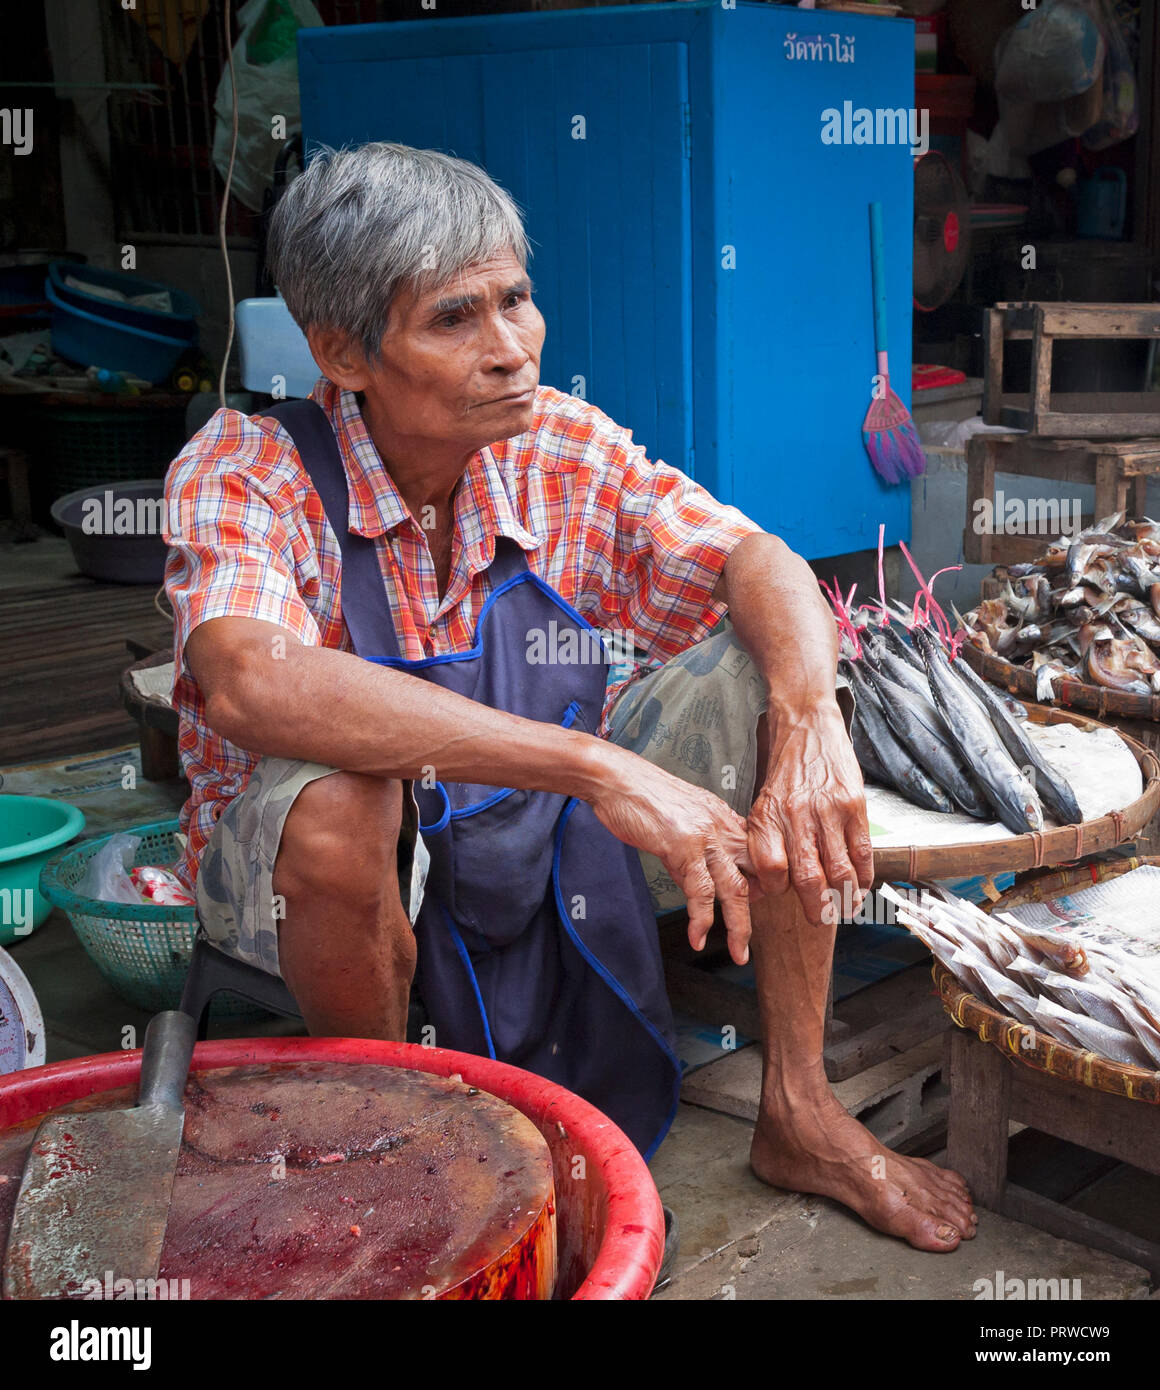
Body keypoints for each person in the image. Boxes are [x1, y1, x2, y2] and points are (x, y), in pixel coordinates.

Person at [164, 142, 975, 1253]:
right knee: (339, 802)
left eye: (516, 300)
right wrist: (598, 764)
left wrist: (808, 720)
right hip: (331, 882)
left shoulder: (553, 441)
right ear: (342, 350)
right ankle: (396, 1134)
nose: (510, 350)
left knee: (763, 668)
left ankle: (798, 1105)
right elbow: (250, 677)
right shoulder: (247, 467)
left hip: (535, 840)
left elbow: (757, 559)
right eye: (453, 320)